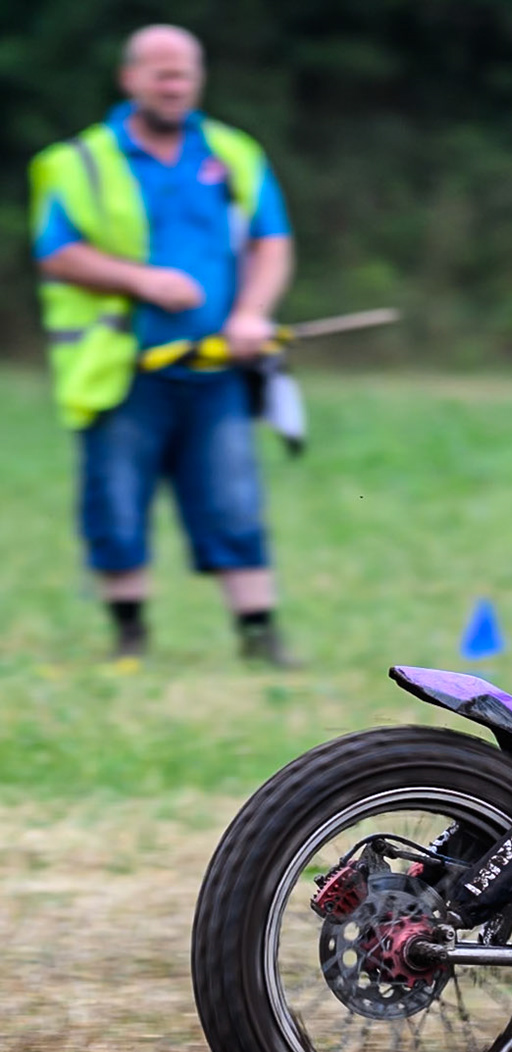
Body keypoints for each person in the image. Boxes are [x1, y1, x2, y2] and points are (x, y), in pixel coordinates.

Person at [29, 24, 295, 664]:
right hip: (123, 369)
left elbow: (271, 241)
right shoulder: (77, 162)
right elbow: (56, 254)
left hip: (217, 371)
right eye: (160, 71)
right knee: (117, 507)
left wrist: (251, 314)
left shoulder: (233, 153)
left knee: (234, 503)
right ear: (130, 80)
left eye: (184, 72)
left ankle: (258, 637)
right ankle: (129, 635)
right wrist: (140, 280)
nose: (173, 83)